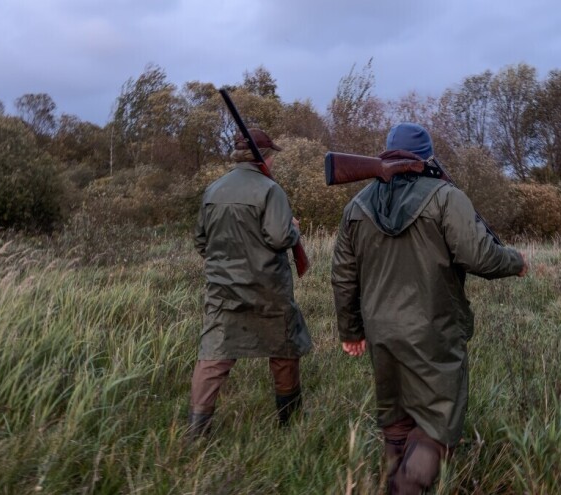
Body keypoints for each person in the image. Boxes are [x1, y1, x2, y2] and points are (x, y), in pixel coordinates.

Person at [331, 123, 528, 493]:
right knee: (439, 423)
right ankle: (405, 487)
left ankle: (393, 482)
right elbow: (479, 256)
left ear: (387, 155)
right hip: (433, 330)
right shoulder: (445, 197)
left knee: (396, 418)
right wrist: (515, 261)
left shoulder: (356, 206)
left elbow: (343, 276)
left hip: (380, 333)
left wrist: (351, 329)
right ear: (427, 157)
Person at [188, 128, 311, 438]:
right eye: (273, 156)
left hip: (222, 290)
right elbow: (280, 237)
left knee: (214, 356)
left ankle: (197, 431)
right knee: (283, 349)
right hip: (267, 288)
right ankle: (290, 423)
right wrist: (293, 229)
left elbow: (201, 242)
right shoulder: (271, 190)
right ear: (264, 157)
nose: (274, 162)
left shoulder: (213, 190)